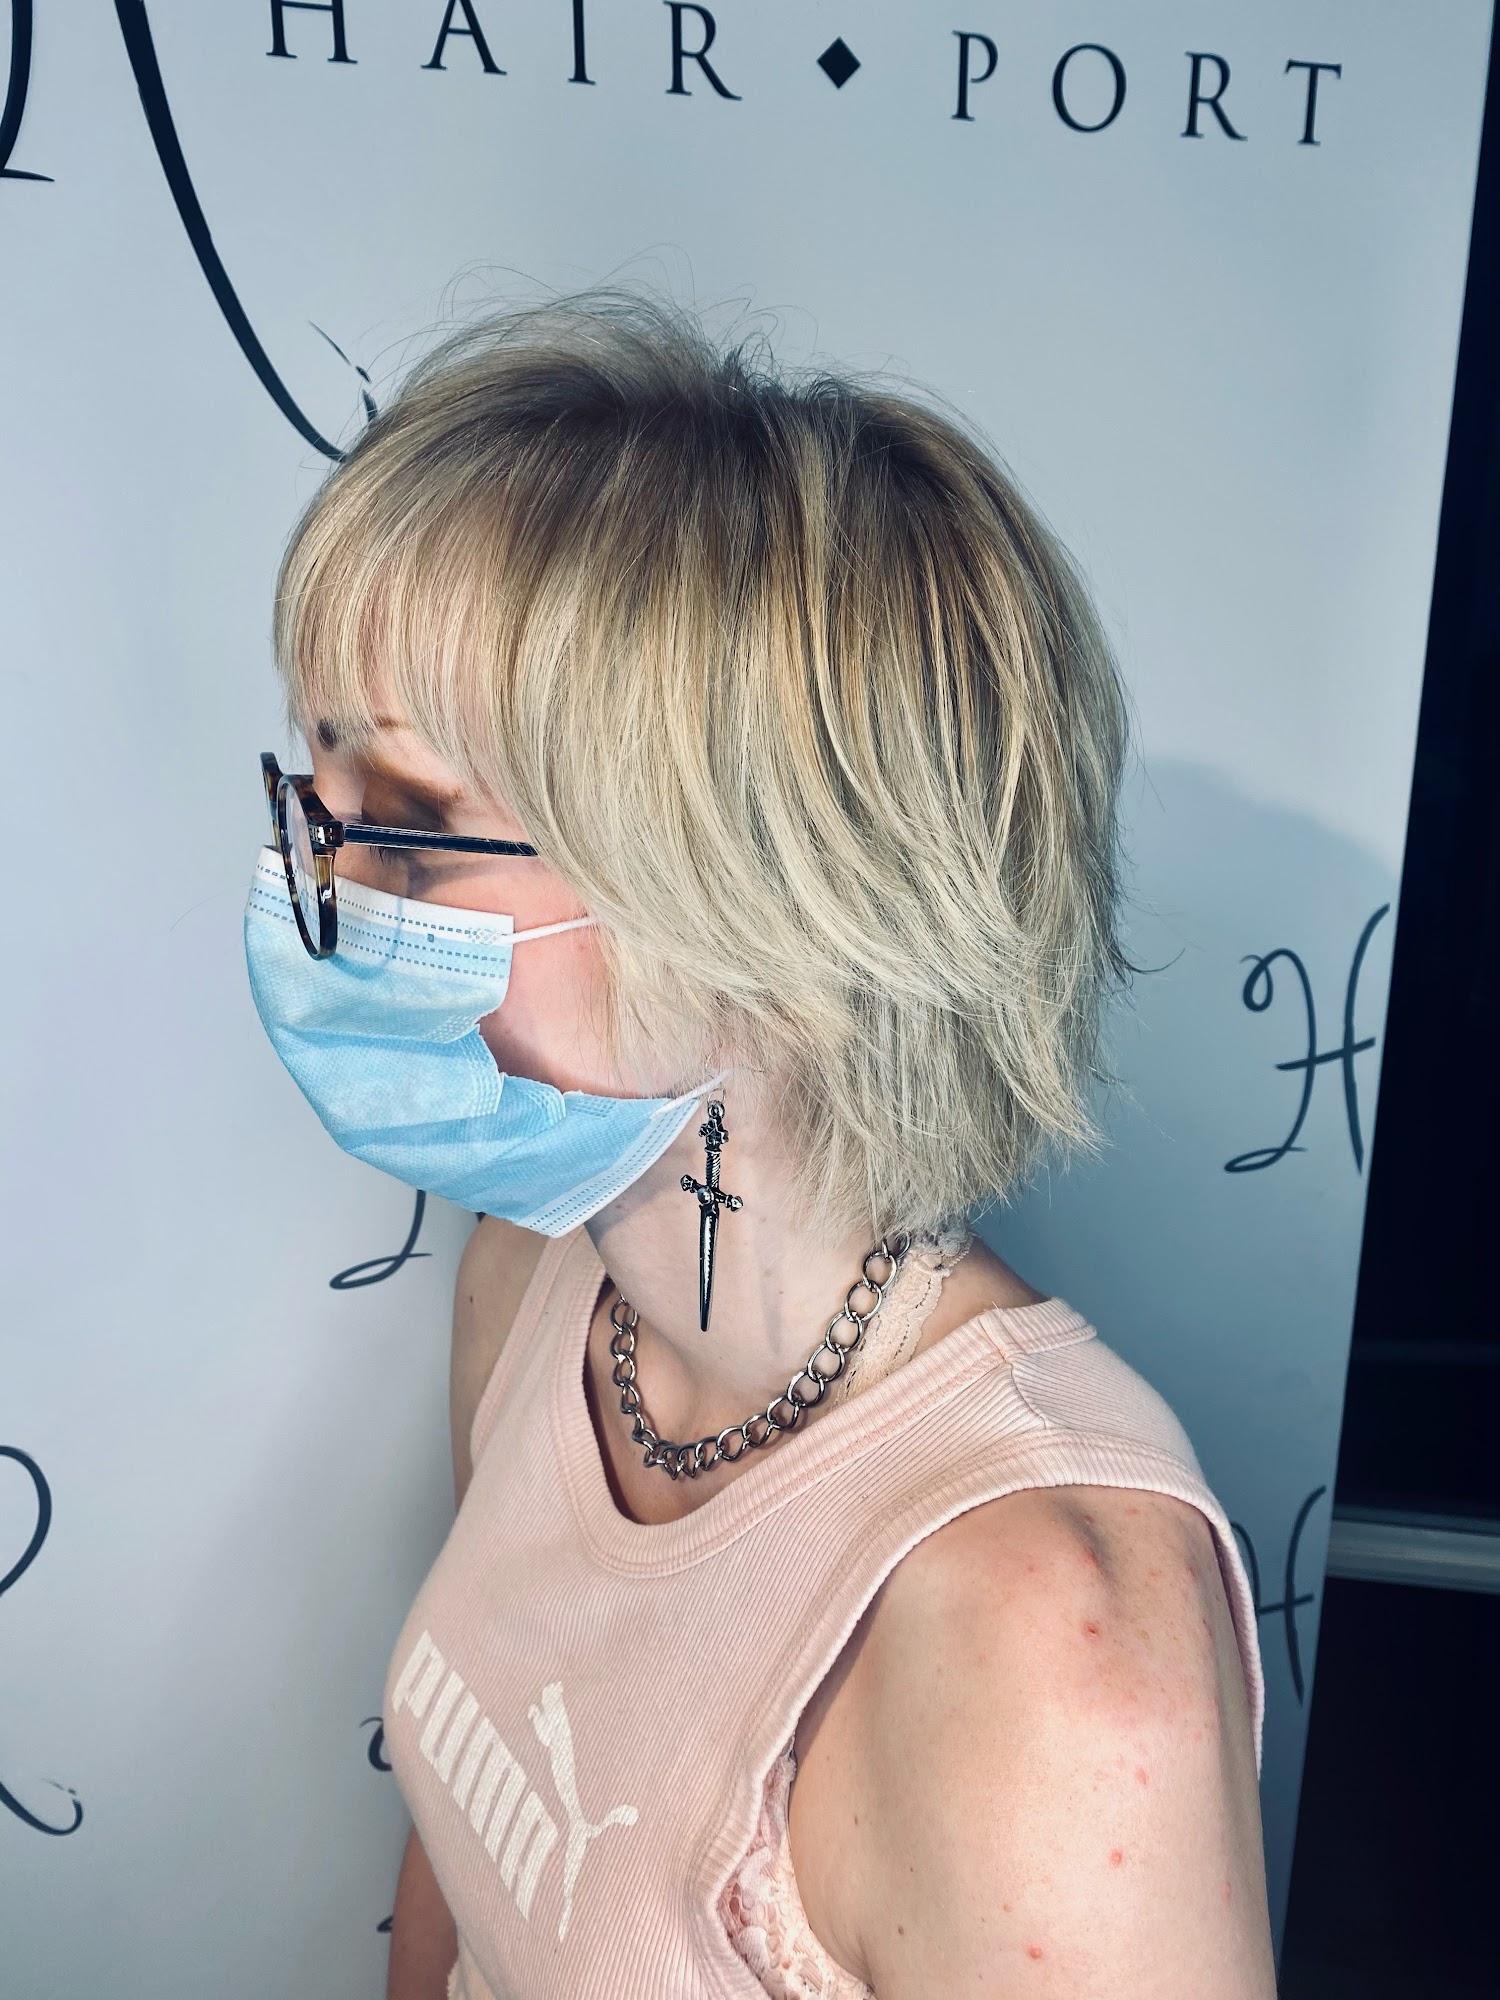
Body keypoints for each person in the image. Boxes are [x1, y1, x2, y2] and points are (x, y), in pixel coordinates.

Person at [243, 293, 1276, 1999]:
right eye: (321, 800)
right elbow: (472, 1868)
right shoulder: (538, 1279)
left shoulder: (1051, 1647)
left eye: (412, 827)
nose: (320, 895)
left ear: (765, 906)